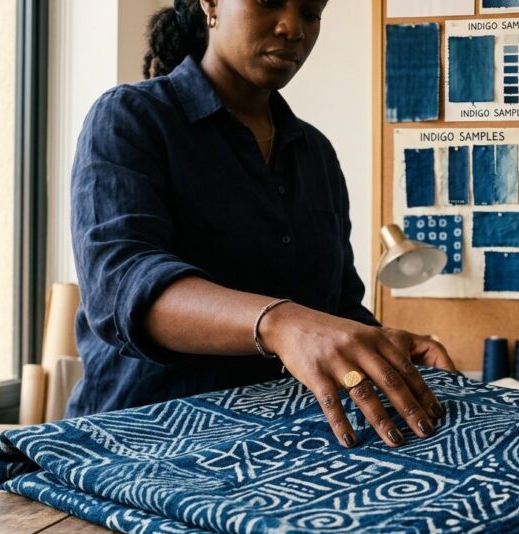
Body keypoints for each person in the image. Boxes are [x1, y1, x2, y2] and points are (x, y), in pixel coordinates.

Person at [66, 0, 455, 449]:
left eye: (311, 13)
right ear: (210, 4)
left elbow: (335, 309)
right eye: (269, 2)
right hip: (139, 448)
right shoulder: (131, 119)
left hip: (277, 451)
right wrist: (278, 323)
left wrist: (380, 344)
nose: (293, 28)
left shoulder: (315, 155)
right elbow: (120, 287)